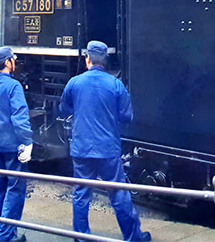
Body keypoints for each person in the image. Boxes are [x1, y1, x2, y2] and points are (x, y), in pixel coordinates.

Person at [59, 41, 151, 242]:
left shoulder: (74, 83)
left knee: (81, 194)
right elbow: (127, 116)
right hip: (108, 149)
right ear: (105, 61)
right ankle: (134, 237)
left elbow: (63, 110)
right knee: (119, 194)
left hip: (82, 148)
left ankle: (81, 237)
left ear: (88, 59)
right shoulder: (116, 84)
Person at [0, 47, 33, 242]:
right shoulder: (14, 86)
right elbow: (19, 117)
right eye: (13, 59)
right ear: (7, 63)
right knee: (14, 190)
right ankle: (4, 237)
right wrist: (27, 141)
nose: (15, 61)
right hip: (13, 145)